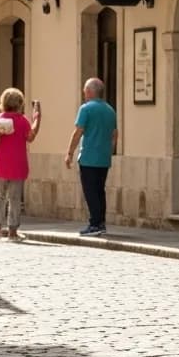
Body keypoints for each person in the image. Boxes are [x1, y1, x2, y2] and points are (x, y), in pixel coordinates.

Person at [64, 77, 117, 237]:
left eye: (84, 90)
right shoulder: (110, 110)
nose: (83, 93)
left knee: (90, 192)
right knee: (100, 191)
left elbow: (78, 131)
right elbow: (115, 135)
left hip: (88, 157)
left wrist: (69, 153)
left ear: (89, 91)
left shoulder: (85, 109)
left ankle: (94, 224)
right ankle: (101, 223)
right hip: (103, 158)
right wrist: (109, 151)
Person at [0, 88, 40, 242]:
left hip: (0, 164)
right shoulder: (22, 120)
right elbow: (31, 137)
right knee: (15, 199)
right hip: (17, 165)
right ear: (20, 104)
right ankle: (12, 232)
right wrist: (37, 119)